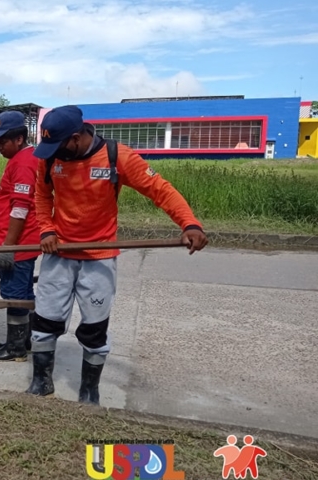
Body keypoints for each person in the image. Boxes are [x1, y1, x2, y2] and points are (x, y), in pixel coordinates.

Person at [26, 105, 208, 404]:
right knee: (45, 321)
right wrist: (47, 230)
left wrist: (189, 223)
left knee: (95, 328)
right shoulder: (49, 160)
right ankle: (41, 383)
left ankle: (88, 392)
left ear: (76, 137)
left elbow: (160, 189)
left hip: (99, 257)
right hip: (58, 253)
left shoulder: (117, 156)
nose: (51, 153)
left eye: (57, 146)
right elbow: (42, 196)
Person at [0, 110, 42, 362]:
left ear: (19, 139)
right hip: (19, 243)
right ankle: (23, 340)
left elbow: (21, 206)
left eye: (3, 141)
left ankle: (16, 348)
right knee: (22, 292)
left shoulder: (24, 162)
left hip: (18, 244)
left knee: (15, 295)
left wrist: (8, 246)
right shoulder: (22, 158)